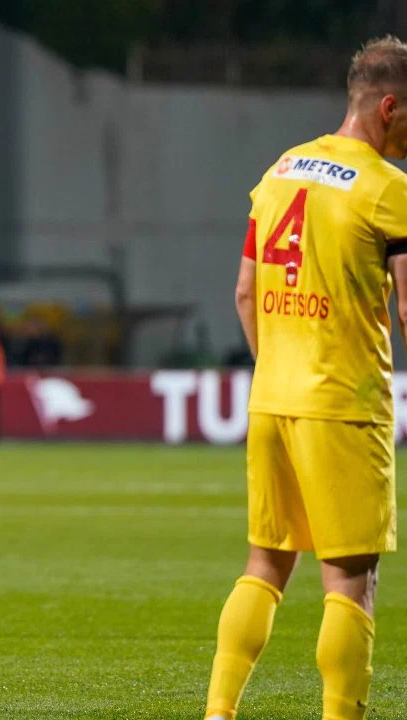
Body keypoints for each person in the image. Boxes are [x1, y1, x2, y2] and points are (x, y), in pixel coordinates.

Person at [204, 37, 407, 720]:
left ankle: (219, 711)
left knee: (265, 564)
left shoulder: (281, 170)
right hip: (344, 403)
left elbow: (243, 292)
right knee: (351, 581)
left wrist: (277, 368)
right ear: (388, 107)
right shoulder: (389, 189)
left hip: (272, 398)